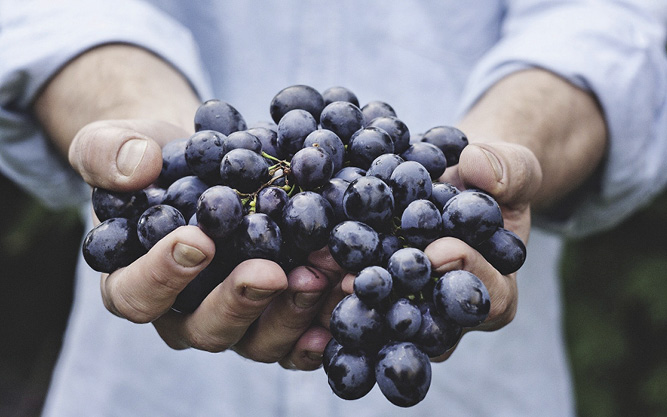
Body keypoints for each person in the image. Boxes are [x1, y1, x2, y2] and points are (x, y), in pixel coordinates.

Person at [1, 1, 666, 416]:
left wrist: (506, 147)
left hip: (478, 382)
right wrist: (132, 124)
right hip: (149, 388)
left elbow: (610, 20)